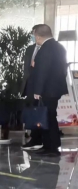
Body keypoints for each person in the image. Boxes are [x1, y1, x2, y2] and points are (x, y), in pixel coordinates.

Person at [27, 24, 68, 157]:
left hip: (47, 90)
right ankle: (49, 145)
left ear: (38, 36)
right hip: (55, 89)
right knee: (50, 117)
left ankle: (52, 148)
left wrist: (38, 91)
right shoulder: (58, 47)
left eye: (34, 36)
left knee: (48, 118)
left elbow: (42, 72)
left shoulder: (45, 49)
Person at [22, 38, 43, 149]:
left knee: (42, 114)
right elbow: (26, 68)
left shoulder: (49, 48)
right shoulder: (30, 49)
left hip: (43, 87)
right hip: (30, 86)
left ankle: (43, 140)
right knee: (33, 113)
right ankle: (35, 139)